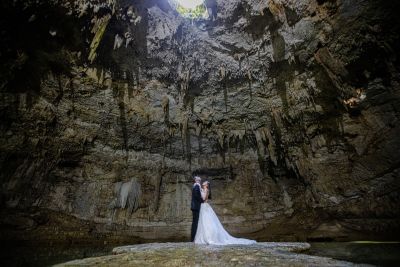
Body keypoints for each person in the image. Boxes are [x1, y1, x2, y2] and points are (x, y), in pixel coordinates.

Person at [194, 181, 256, 245]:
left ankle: (209, 237)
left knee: (207, 221)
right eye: (204, 183)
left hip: (205, 206)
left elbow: (204, 199)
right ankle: (203, 236)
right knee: (202, 221)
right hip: (203, 206)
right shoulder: (203, 189)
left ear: (206, 185)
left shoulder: (206, 190)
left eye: (205, 183)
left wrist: (200, 195)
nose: (203, 183)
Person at [191, 176, 203, 242]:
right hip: (196, 207)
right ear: (196, 180)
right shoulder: (196, 186)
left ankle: (194, 237)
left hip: (195, 206)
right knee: (195, 222)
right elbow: (196, 195)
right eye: (198, 180)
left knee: (195, 222)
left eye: (199, 180)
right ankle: (193, 238)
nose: (198, 181)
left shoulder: (196, 186)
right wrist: (202, 200)